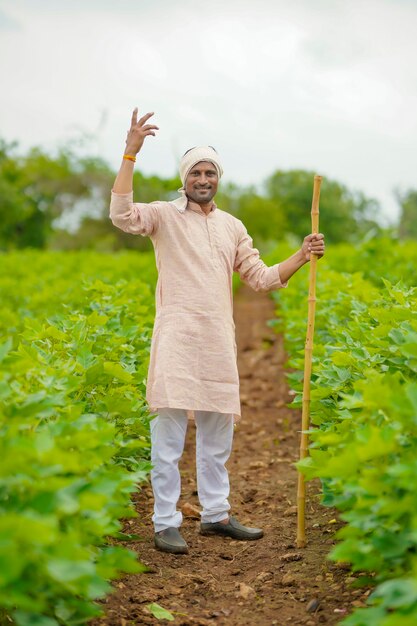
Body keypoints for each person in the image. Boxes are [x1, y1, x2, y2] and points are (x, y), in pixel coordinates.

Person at [109, 108, 325, 555]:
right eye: (195, 172)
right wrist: (130, 155)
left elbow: (261, 278)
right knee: (167, 439)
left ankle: (215, 515)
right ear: (184, 178)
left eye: (210, 172)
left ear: (218, 179)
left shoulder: (231, 226)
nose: (203, 178)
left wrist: (302, 255)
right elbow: (122, 215)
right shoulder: (163, 217)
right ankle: (165, 521)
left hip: (216, 342)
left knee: (215, 438)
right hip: (175, 337)